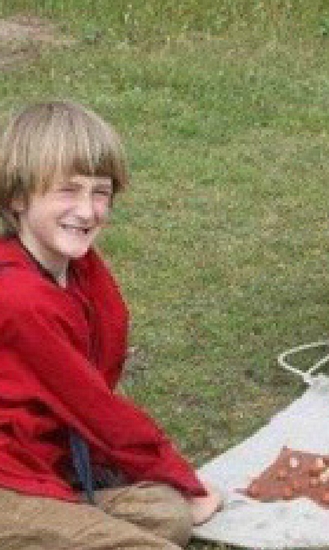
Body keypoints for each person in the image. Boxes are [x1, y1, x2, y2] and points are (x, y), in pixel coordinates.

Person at [0, 101, 222, 549]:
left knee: (165, 514)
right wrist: (187, 479)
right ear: (17, 197)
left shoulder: (83, 272)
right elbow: (94, 406)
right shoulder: (18, 297)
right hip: (8, 478)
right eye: (67, 191)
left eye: (99, 192)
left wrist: (175, 488)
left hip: (43, 465)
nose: (86, 211)